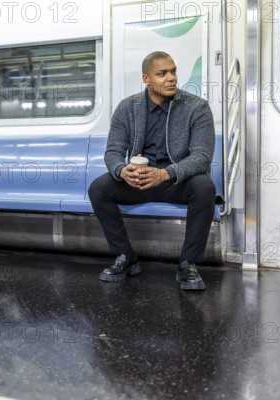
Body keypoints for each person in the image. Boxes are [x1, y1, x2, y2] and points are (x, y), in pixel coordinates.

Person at [88, 51, 215, 290]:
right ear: (146, 79)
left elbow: (202, 157)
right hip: (139, 181)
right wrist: (121, 170)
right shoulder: (127, 108)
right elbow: (113, 152)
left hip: (175, 181)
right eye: (162, 73)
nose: (171, 78)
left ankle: (188, 263)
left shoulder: (196, 107)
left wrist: (165, 174)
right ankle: (125, 256)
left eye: (173, 71)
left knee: (204, 186)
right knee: (99, 188)